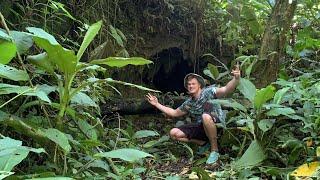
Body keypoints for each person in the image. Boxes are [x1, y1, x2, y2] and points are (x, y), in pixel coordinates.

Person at [146, 65, 240, 168]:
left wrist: (236, 79)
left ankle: (214, 150)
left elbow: (226, 89)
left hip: (217, 124)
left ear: (199, 85)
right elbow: (173, 113)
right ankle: (204, 143)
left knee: (205, 116)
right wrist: (156, 104)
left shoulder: (209, 91)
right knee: (174, 133)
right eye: (189, 84)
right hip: (202, 127)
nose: (190, 86)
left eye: (193, 84)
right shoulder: (189, 103)